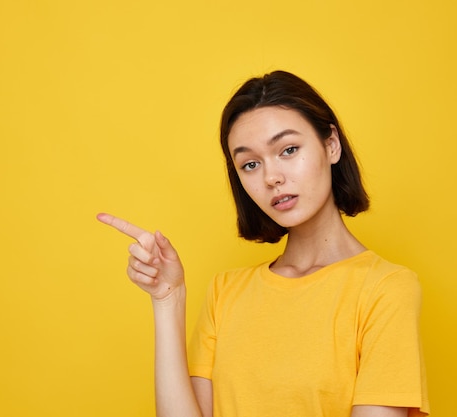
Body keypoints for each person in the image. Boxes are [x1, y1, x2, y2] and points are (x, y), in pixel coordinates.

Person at [97, 70, 429, 417]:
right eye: (250, 164)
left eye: (288, 149)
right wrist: (167, 299)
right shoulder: (225, 292)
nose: (271, 177)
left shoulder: (386, 288)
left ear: (331, 145)